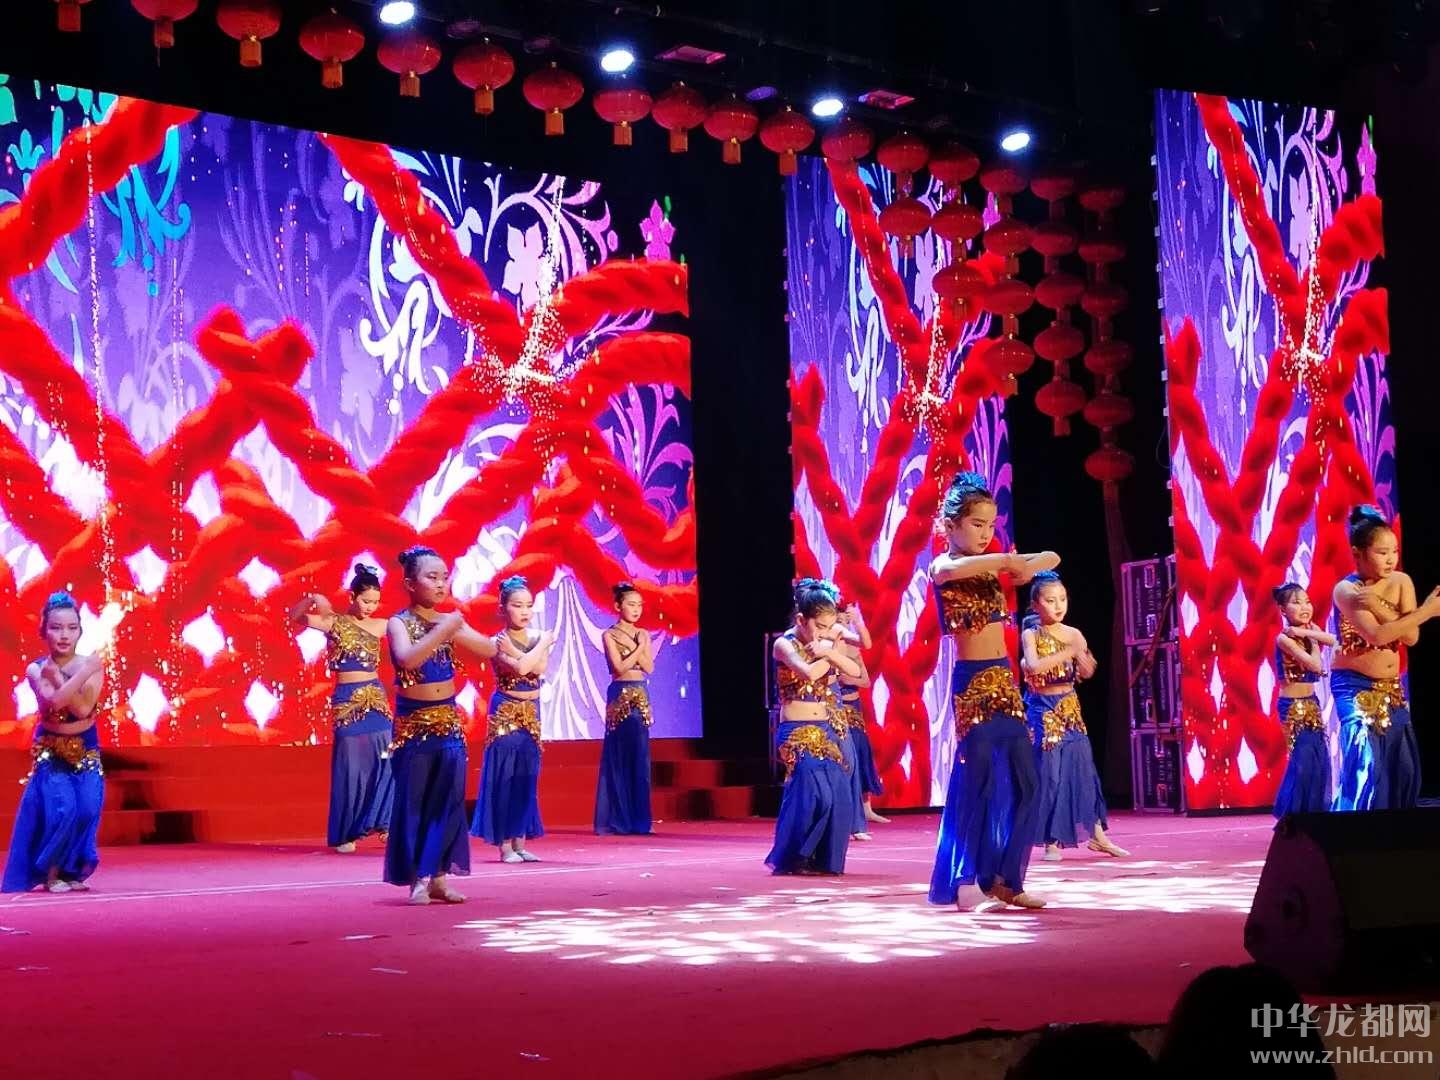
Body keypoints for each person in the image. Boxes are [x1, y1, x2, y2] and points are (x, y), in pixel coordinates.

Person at [927, 471, 1058, 911]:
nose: (986, 534)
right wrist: (1006, 560)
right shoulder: (945, 567)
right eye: (977, 524)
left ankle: (1006, 881)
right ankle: (966, 885)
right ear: (950, 526)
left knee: (1028, 783)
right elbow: (958, 568)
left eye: (991, 525)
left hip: (1005, 683)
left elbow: (1052, 557)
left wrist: (1017, 563)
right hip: (973, 686)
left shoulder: (988, 567)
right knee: (978, 781)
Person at [384, 545, 497, 904]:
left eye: (444, 577)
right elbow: (407, 658)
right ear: (410, 584)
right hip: (414, 727)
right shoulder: (398, 623)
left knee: (448, 802)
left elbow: (488, 649)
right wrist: (445, 628)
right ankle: (419, 877)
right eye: (431, 577)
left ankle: (440, 877)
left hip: (448, 722)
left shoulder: (447, 621)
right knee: (416, 801)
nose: (440, 583)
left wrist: (454, 626)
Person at [1330, 505, 1440, 811]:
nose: (1391, 558)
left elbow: (1411, 637)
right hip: (1355, 686)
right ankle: (1354, 827)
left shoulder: (1402, 581)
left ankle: (1392, 829)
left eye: (1394, 551)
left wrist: (1379, 606)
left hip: (1391, 687)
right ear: (1358, 554)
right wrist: (1427, 612)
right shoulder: (1346, 590)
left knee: (1401, 765)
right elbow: (1377, 636)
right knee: (1368, 762)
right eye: (1382, 552)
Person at [2, 592, 106, 894]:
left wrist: (70, 675)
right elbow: (57, 701)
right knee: (63, 809)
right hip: (51, 750)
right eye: (56, 628)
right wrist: (81, 673)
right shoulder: (36, 669)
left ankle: (72, 871)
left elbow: (83, 709)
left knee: (87, 808)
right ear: (44, 631)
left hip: (86, 748)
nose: (64, 635)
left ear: (80, 631)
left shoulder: (91, 666)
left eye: (71, 628)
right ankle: (51, 874)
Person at [1020, 571, 1127, 861]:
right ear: (1035, 605)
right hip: (1044, 709)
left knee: (1084, 773)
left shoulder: (1074, 633)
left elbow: (1086, 670)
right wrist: (1069, 651)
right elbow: (1034, 666)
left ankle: (1098, 836)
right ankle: (1051, 841)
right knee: (1051, 775)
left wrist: (1086, 661)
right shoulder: (1031, 634)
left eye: (1062, 599)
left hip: (1069, 706)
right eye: (1050, 600)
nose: (1058, 606)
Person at [291, 564, 395, 853]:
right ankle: (348, 832)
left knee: (388, 756)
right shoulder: (333, 622)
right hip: (347, 701)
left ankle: (385, 821)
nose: (370, 607)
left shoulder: (383, 625)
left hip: (375, 698)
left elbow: (414, 630)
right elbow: (295, 616)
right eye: (365, 601)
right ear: (352, 596)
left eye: (375, 602)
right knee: (350, 765)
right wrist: (313, 598)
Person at [765, 578, 864, 875]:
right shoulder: (784, 644)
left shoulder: (828, 643)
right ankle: (794, 856)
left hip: (825, 729)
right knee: (811, 791)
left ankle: (820, 859)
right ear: (801, 620)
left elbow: (855, 670)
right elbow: (808, 673)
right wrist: (831, 653)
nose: (824, 632)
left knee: (838, 794)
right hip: (796, 732)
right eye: (819, 626)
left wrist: (831, 650)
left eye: (829, 626)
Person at [472, 575, 555, 863]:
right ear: (503, 608)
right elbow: (522, 669)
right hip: (506, 711)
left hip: (532, 713)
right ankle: (505, 846)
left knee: (526, 775)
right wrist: (543, 643)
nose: (524, 611)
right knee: (505, 776)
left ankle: (520, 842)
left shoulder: (534, 639)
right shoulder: (498, 641)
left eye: (529, 605)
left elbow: (538, 668)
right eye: (517, 605)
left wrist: (528, 650)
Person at [594, 582, 655, 836]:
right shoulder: (609, 635)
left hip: (640, 693)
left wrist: (637, 650)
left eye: (639, 605)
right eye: (631, 604)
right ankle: (618, 820)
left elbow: (648, 667)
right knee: (618, 756)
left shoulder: (643, 633)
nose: (636, 609)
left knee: (640, 756)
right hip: (619, 694)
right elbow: (618, 668)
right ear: (618, 606)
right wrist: (639, 648)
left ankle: (640, 821)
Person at [1270, 583, 1335, 817]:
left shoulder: (1307, 631)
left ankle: (1313, 816)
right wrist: (1313, 640)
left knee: (1319, 760)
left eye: (1307, 602)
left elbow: (1335, 640)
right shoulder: (1283, 639)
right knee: (1302, 763)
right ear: (1282, 610)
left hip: (1312, 704)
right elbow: (1315, 665)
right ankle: (1291, 816)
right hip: (1292, 708)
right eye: (1296, 603)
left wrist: (1308, 633)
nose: (1305, 607)